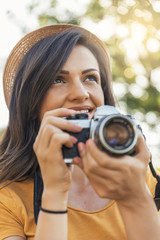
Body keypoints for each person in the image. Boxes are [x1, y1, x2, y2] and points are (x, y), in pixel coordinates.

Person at [0, 24, 159, 240]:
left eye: (90, 78)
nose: (81, 93)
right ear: (32, 104)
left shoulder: (151, 181)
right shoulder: (8, 200)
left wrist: (135, 198)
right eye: (58, 80)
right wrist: (54, 194)